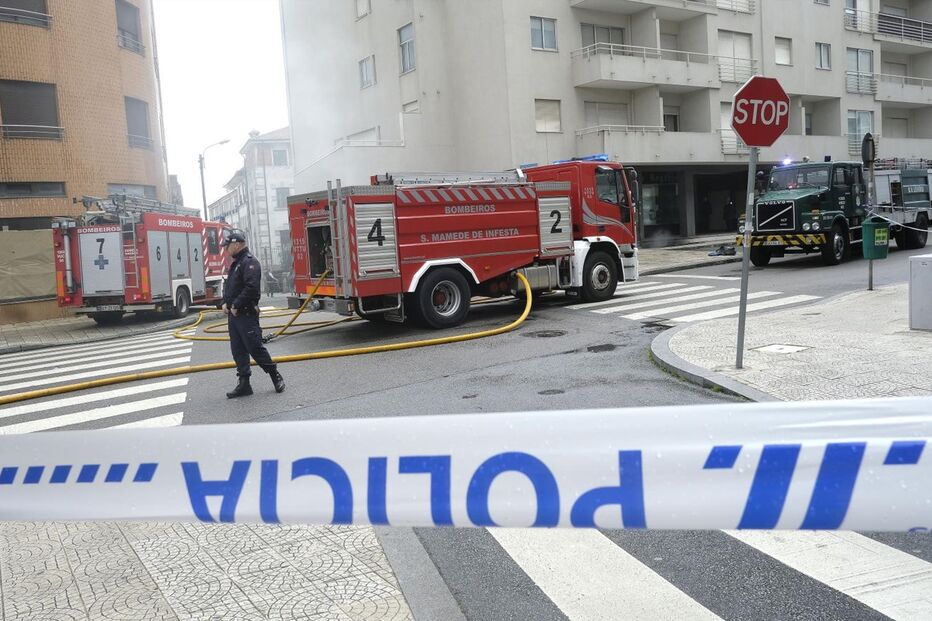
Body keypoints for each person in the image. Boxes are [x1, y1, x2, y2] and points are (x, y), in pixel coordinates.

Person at [220, 230, 285, 398]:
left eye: (227, 246)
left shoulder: (250, 262)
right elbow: (231, 288)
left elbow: (252, 288)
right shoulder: (236, 263)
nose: (226, 250)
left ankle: (275, 375)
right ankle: (244, 384)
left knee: (255, 348)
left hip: (246, 314)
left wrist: (236, 304)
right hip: (234, 316)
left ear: (236, 244)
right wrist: (225, 303)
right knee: (238, 350)